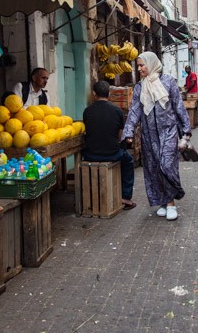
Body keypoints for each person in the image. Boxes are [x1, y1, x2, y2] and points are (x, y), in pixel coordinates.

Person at [123, 52, 191, 221]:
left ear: (152, 64)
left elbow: (178, 106)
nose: (139, 69)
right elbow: (134, 111)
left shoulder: (168, 82)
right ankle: (162, 201)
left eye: (142, 65)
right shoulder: (140, 87)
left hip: (168, 132)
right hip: (149, 135)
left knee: (166, 165)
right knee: (154, 168)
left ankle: (171, 203)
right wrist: (129, 131)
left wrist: (186, 130)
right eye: (137, 66)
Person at [82, 81, 136, 209]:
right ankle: (126, 197)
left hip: (91, 155)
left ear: (94, 94)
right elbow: (120, 136)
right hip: (112, 154)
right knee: (128, 161)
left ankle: (91, 196)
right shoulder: (117, 111)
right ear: (109, 94)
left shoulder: (87, 111)